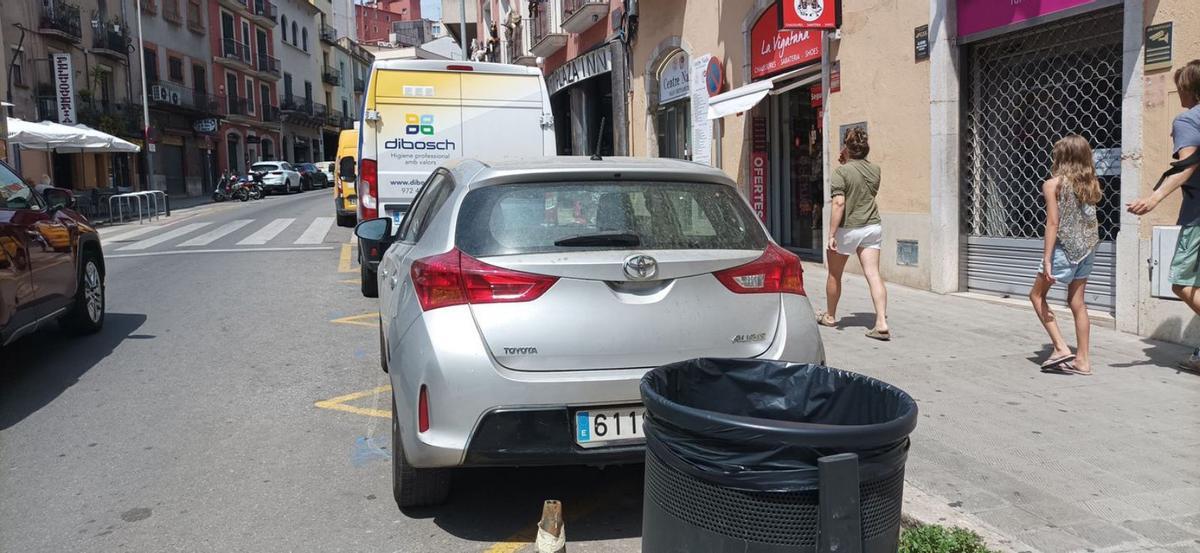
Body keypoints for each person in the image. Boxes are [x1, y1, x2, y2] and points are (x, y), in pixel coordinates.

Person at [1128, 60, 1200, 373]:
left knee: (1181, 283)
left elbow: (1188, 165)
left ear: (1189, 89)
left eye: (1179, 86)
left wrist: (1154, 197)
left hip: (1198, 218)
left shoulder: (1188, 120)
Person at [1029, 136, 1102, 376]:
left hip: (1064, 250)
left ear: (1062, 158)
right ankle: (1083, 361)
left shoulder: (1053, 185)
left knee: (1036, 295)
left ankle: (1060, 347)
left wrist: (1047, 258)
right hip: (1088, 249)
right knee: (1077, 302)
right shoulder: (1091, 184)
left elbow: (1053, 222)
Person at [818, 128, 890, 340]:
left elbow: (839, 203)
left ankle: (830, 316)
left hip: (848, 228)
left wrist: (831, 234)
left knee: (834, 274)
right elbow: (866, 193)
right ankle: (881, 322)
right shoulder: (875, 170)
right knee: (873, 274)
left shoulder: (841, 172)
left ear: (846, 148)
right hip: (872, 226)